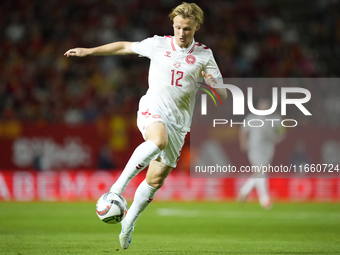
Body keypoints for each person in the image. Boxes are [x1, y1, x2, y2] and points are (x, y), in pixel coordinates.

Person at [65, 2, 227, 249]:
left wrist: (212, 84)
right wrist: (89, 51)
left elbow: (223, 95)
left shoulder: (205, 55)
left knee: (155, 180)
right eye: (178, 27)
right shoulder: (158, 44)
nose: (182, 33)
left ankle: (128, 225)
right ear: (173, 25)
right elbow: (124, 47)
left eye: (187, 29)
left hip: (180, 123)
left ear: (197, 27)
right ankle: (116, 190)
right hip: (154, 108)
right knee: (158, 140)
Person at [237, 98, 285, 210]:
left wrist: (277, 138)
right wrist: (243, 142)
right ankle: (264, 199)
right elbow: (242, 130)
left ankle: (244, 191)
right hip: (254, 148)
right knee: (261, 171)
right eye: (262, 105)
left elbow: (282, 132)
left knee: (260, 173)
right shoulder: (252, 118)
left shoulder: (275, 119)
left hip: (268, 149)